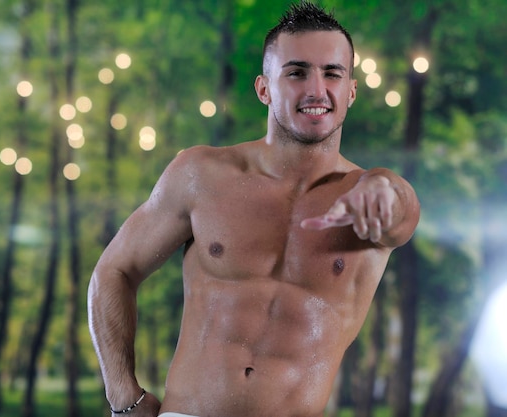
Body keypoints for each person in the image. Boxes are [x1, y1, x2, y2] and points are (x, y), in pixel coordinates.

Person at [88, 2, 420, 416]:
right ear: (264, 88)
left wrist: (384, 186)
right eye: (297, 72)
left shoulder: (369, 199)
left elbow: (402, 212)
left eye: (332, 73)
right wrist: (124, 396)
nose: (317, 89)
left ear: (351, 91)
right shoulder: (201, 174)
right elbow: (114, 271)